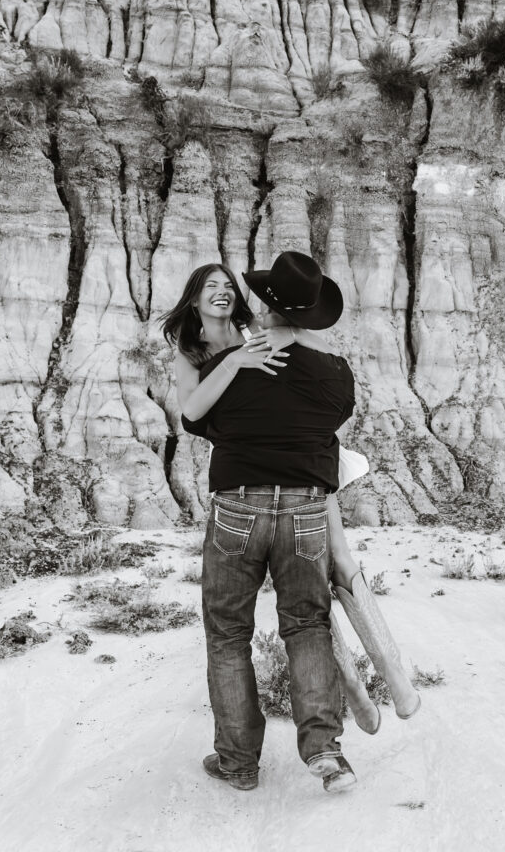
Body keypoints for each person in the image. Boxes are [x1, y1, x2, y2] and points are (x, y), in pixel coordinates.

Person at [176, 251, 359, 793]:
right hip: (305, 508)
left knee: (228, 634)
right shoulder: (335, 373)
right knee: (306, 625)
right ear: (311, 315)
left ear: (263, 303)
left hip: (238, 505)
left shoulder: (226, 365)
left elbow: (201, 423)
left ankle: (237, 762)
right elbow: (333, 422)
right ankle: (325, 752)